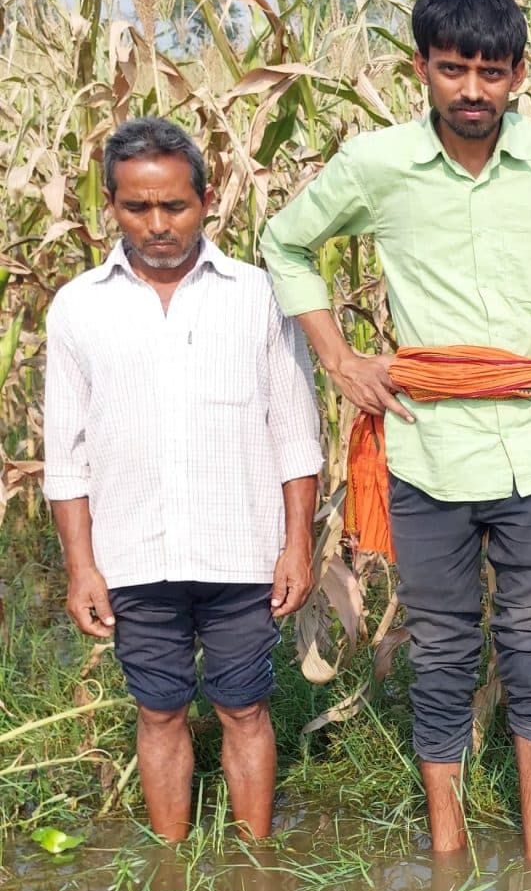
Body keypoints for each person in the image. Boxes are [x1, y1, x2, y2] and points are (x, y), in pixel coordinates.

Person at [261, 0, 531, 863]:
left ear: (521, 73)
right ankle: (448, 844)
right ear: (420, 65)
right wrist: (338, 358)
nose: (472, 92)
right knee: (444, 650)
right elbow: (284, 240)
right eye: (453, 69)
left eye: (491, 73)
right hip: (425, 450)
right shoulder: (378, 166)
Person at [43, 116, 322, 841]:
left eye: (175, 206)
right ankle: (172, 870)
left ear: (208, 198)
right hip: (136, 552)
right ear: (111, 205)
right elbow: (66, 455)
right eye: (138, 208)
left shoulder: (258, 296)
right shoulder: (78, 307)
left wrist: (297, 546)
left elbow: (295, 434)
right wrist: (81, 568)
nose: (158, 224)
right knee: (159, 708)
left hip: (242, 551)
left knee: (244, 706)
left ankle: (254, 863)